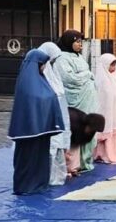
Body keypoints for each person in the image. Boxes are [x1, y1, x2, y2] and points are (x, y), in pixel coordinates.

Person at [8, 48, 67, 195]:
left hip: (42, 130)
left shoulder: (40, 80)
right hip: (28, 131)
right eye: (43, 64)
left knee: (40, 159)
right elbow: (35, 101)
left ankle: (39, 184)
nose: (44, 67)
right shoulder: (28, 83)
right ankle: (26, 186)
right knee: (27, 159)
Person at [53, 30, 99, 172]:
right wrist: (87, 74)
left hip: (88, 101)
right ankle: (74, 164)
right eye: (77, 42)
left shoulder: (78, 57)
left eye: (81, 42)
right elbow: (70, 79)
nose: (80, 45)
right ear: (69, 42)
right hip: (76, 101)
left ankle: (86, 161)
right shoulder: (62, 59)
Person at [37, 42, 72, 184]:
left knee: (58, 147)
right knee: (50, 148)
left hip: (57, 117)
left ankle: (57, 174)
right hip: (47, 120)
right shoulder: (39, 76)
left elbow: (59, 92)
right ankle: (46, 176)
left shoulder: (52, 72)